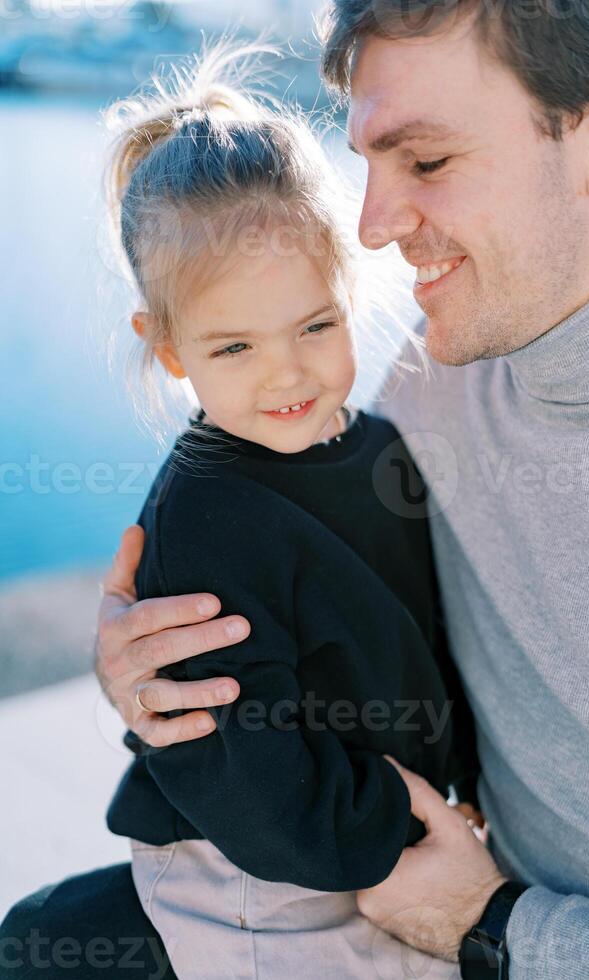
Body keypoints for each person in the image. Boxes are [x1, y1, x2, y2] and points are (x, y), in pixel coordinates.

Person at [2, 2, 589, 979]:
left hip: (464, 911)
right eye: (370, 161)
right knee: (37, 941)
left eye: (426, 161)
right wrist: (150, 673)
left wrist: (497, 924)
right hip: (359, 863)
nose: (372, 225)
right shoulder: (437, 379)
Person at [97, 41, 483, 980]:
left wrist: (459, 788)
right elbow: (236, 757)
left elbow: (422, 635)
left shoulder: (383, 449)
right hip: (251, 878)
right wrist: (393, 828)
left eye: (316, 324)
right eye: (234, 347)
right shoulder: (206, 516)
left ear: (350, 290)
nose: (287, 373)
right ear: (172, 348)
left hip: (372, 840)